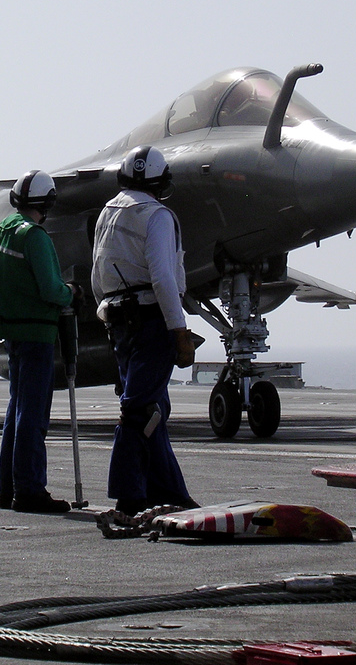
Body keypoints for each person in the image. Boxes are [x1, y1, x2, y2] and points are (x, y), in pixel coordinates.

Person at [91, 145, 199, 517]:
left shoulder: (109, 211)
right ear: (160, 182)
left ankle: (170, 492)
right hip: (150, 319)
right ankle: (128, 496)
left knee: (155, 409)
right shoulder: (157, 216)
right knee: (139, 410)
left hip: (119, 319)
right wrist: (179, 331)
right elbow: (164, 278)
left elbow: (97, 271)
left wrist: (105, 316)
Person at [0, 169, 76, 514]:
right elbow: (51, 289)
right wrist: (72, 292)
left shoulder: (5, 230)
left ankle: (7, 489)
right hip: (37, 334)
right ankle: (29, 490)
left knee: (16, 412)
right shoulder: (35, 237)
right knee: (33, 415)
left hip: (13, 336)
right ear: (48, 202)